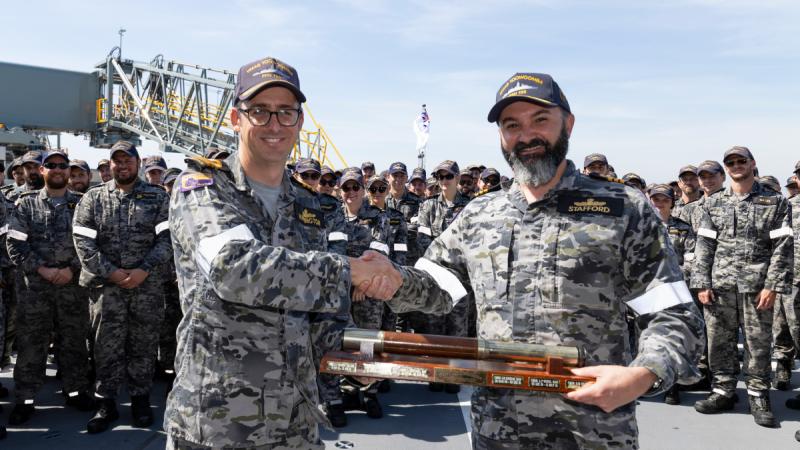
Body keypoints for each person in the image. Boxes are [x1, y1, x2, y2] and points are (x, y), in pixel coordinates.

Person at [359, 72, 704, 449]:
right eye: (512, 125)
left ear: (568, 124)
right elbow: (437, 288)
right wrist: (393, 279)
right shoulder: (479, 215)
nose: (526, 136)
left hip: (592, 430)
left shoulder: (623, 209)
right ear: (501, 137)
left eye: (540, 120)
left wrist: (643, 373)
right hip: (499, 430)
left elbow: (673, 314)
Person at [163, 57, 396, 449]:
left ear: (299, 122)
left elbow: (321, 312)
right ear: (236, 118)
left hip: (294, 421)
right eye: (260, 112)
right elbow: (234, 268)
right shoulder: (202, 187)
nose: (274, 125)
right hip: (217, 423)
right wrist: (349, 270)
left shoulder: (307, 205)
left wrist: (352, 357)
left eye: (286, 113)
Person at [73, 140, 172, 433]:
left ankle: (140, 399)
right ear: (110, 165)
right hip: (107, 289)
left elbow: (168, 239)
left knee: (143, 344)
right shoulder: (93, 198)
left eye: (127, 160)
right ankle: (107, 403)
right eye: (116, 161)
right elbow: (82, 241)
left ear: (137, 163)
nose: (122, 165)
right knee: (106, 346)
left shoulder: (157, 198)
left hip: (147, 286)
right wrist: (112, 272)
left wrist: (144, 269)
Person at [692, 146, 792, 428]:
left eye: (741, 161)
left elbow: (782, 247)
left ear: (752, 164)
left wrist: (772, 285)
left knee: (758, 343)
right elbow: (704, 245)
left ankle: (758, 394)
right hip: (719, 285)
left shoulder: (774, 202)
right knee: (719, 341)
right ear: (726, 168)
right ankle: (723, 391)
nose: (736, 165)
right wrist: (702, 282)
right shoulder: (712, 204)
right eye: (731, 162)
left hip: (757, 286)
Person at [5, 150, 94, 425]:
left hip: (71, 287)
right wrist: (43, 269)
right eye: (51, 165)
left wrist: (71, 269)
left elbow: (91, 243)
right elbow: (15, 244)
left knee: (73, 342)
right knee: (32, 344)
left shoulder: (83, 204)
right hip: (35, 288)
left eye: (62, 165)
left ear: (68, 171)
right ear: (42, 171)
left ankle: (76, 391)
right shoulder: (25, 204)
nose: (57, 169)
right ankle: (26, 399)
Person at [414, 160, 472, 392]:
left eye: (449, 176)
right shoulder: (428, 207)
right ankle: (436, 373)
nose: (444, 181)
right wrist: (438, 269)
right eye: (440, 177)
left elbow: (471, 241)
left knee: (457, 327)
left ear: (458, 178)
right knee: (434, 326)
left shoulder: (469, 206)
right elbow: (422, 239)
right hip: (436, 276)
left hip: (460, 277)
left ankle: (453, 375)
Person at [647, 184, 696, 405]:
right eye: (655, 199)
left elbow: (692, 258)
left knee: (673, 338)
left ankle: (672, 385)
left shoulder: (684, 229)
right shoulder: (640, 226)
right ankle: (648, 380)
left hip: (676, 290)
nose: (659, 203)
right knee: (647, 338)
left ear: (671, 203)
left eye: (664, 200)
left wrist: (672, 276)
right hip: (646, 292)